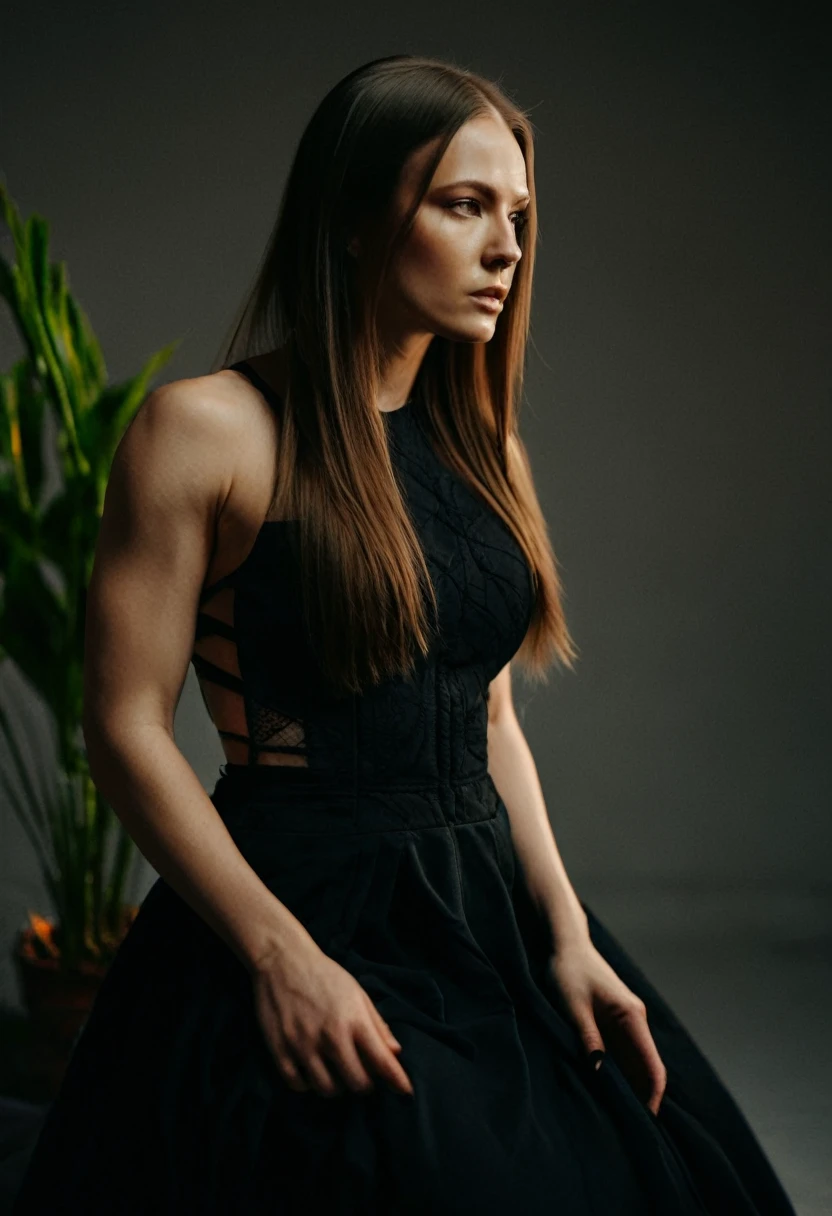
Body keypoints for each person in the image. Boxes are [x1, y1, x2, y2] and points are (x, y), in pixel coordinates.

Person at [13, 54, 797, 1216]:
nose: (508, 249)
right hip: (295, 903)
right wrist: (281, 960)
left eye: (518, 215)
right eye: (464, 204)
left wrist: (568, 933)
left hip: (481, 909)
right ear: (349, 217)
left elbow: (488, 717)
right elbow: (125, 727)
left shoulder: (489, 452)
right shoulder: (204, 433)